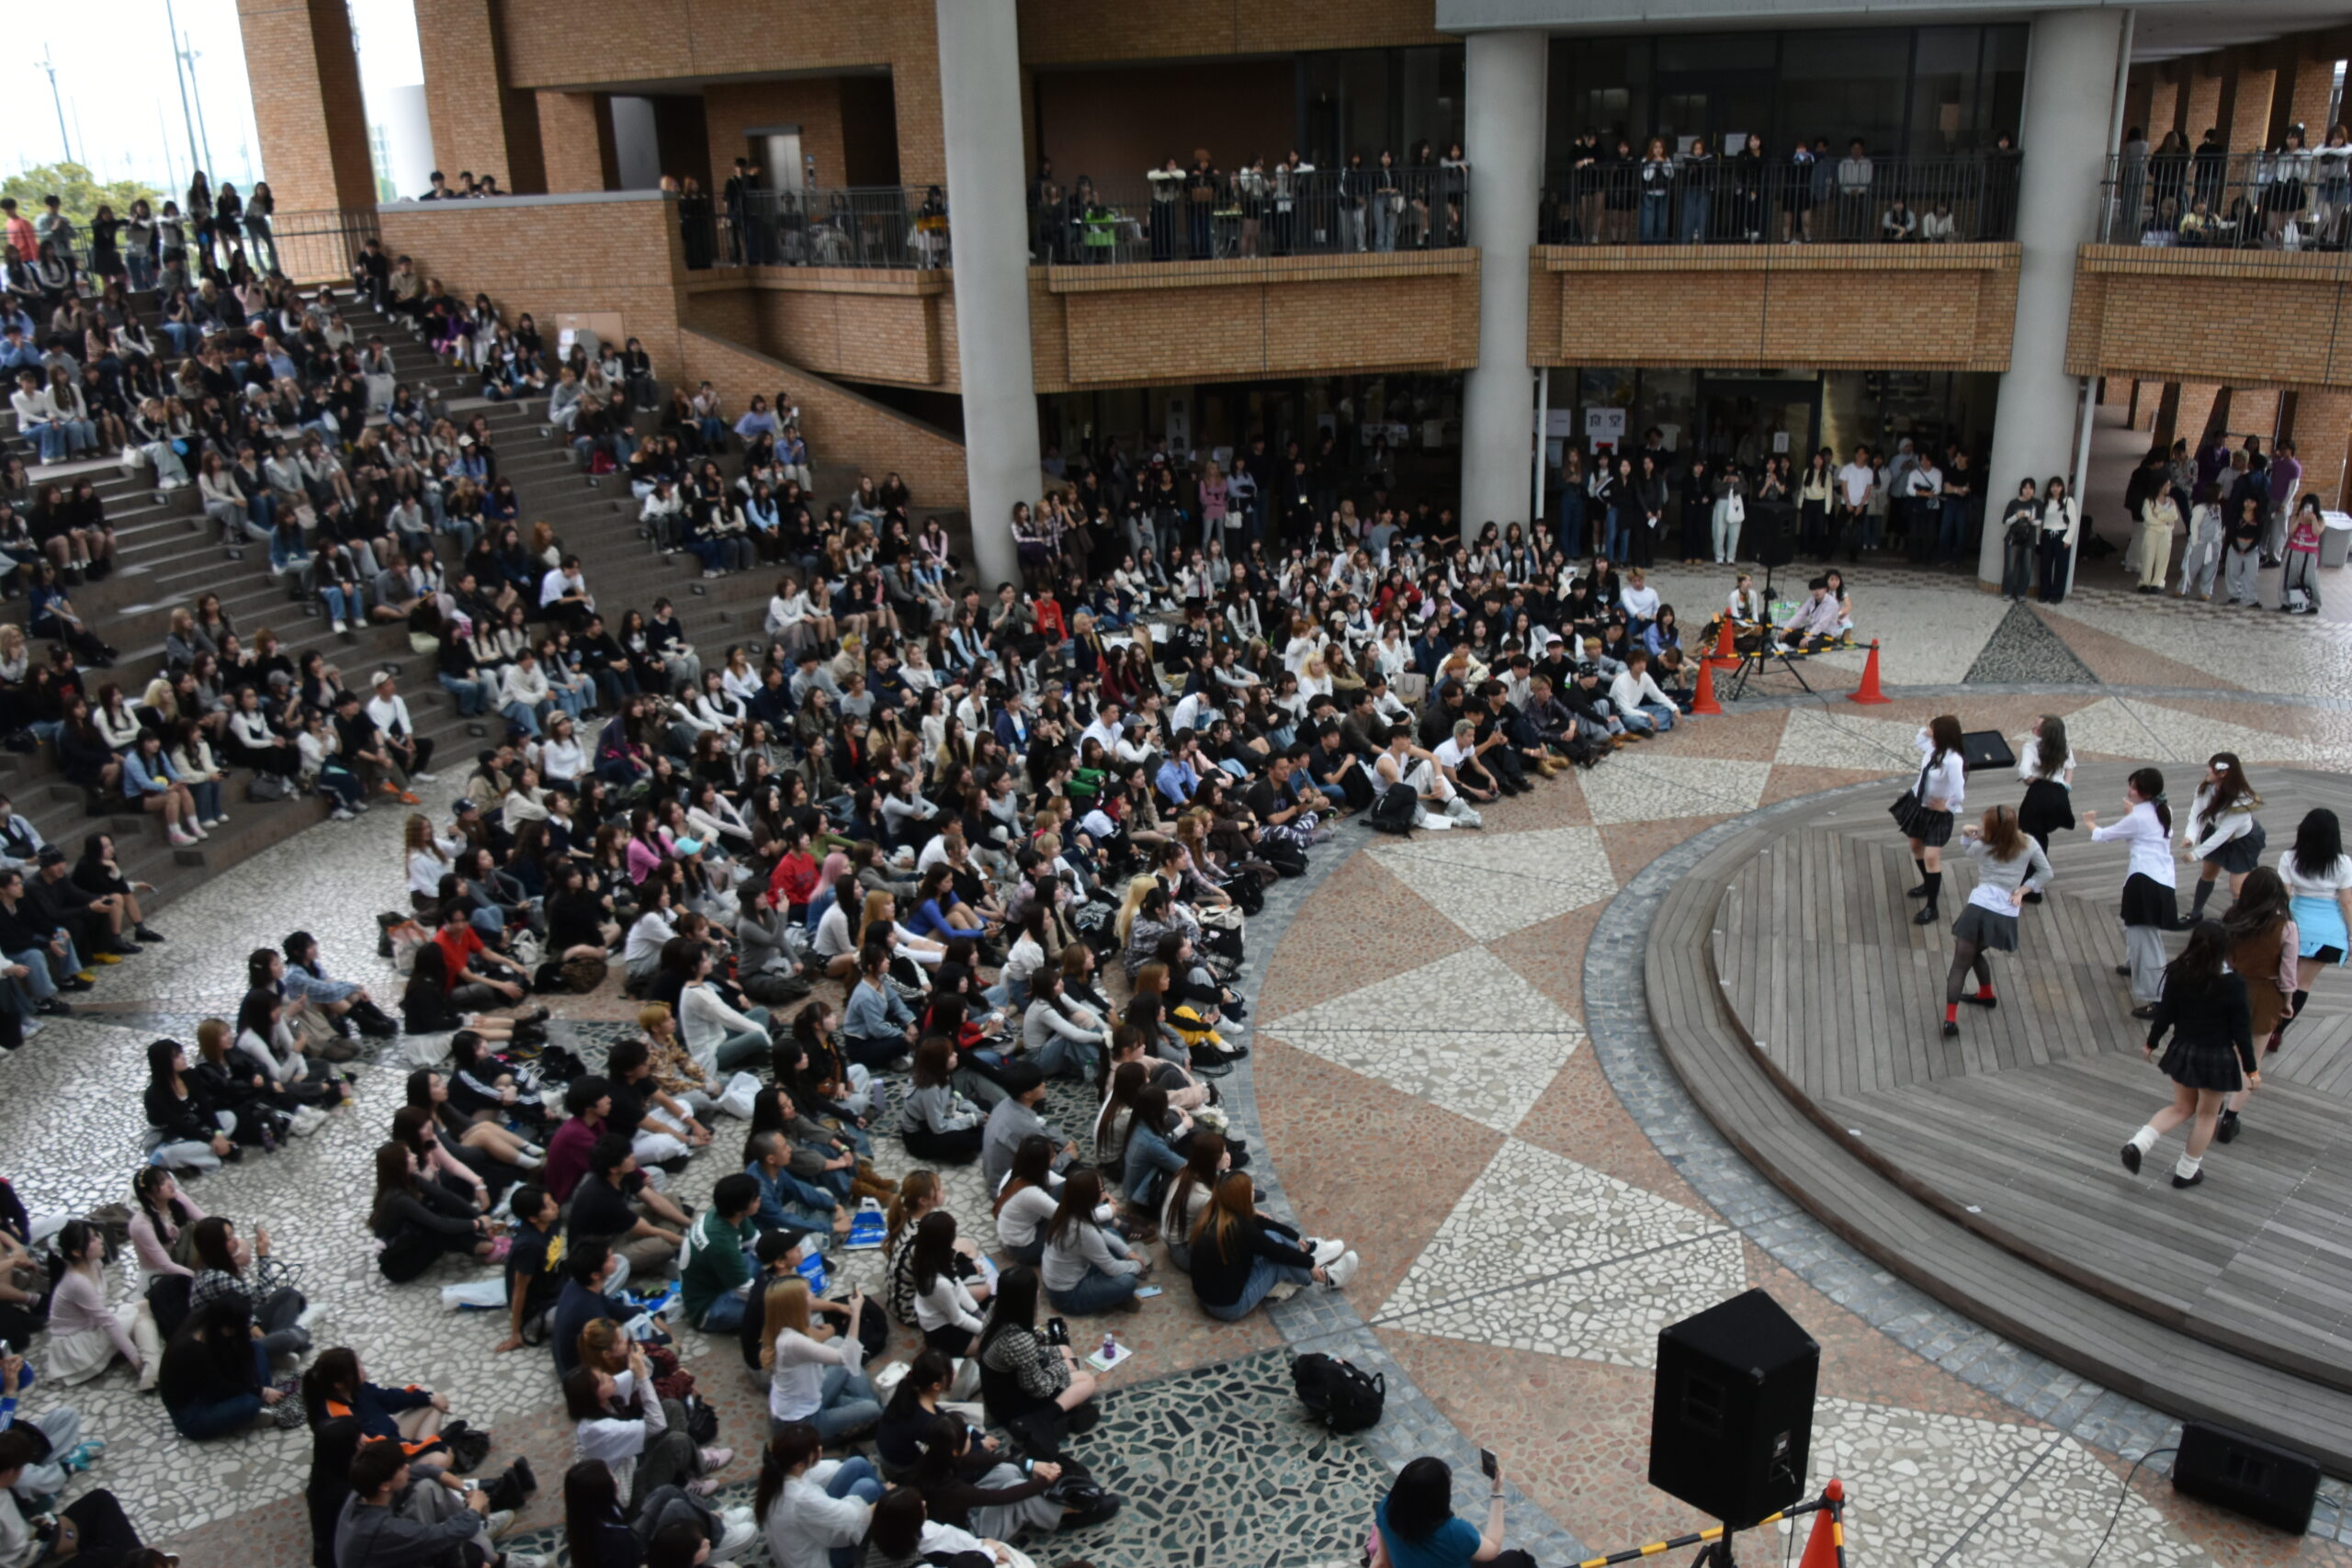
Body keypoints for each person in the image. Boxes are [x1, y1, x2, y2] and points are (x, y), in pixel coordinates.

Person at [2120, 921, 2256, 1191]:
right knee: (2207, 1115)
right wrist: (2252, 1070)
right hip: (2216, 1056)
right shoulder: (2234, 983)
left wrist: (2152, 1042)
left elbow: (2166, 1012)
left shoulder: (2180, 972)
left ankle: (2138, 1143)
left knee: (2181, 1107)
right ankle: (2186, 1171)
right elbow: (2241, 1030)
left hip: (2184, 1049)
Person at [1939, 807, 2051, 1039]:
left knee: (1961, 962)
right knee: (1973, 953)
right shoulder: (2029, 843)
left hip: (1979, 907)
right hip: (2005, 911)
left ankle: (1951, 1019)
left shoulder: (1982, 845)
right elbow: (2046, 872)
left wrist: (1966, 833)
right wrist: (2023, 889)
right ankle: (1986, 994)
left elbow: (1968, 851)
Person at [1188, 1169, 1354, 1320]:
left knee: (1272, 1236)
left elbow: (1263, 1224)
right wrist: (1310, 1264)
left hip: (1213, 1293)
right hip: (1228, 1306)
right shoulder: (1241, 1229)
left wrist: (1296, 1238)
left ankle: (1305, 1253)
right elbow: (1277, 1252)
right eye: (1251, 1190)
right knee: (1278, 1263)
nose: (1254, 1192)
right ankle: (1327, 1278)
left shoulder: (1216, 1213)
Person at [2084, 768, 2177, 1017]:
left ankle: (2156, 998)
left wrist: (2089, 822)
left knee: (2145, 941)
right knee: (2144, 935)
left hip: (2143, 882)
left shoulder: (2138, 817)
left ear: (2144, 792)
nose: (2129, 790)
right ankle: (2131, 965)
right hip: (2163, 880)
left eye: (2134, 787)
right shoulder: (2165, 810)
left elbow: (2105, 835)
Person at [2217, 867, 2298, 1145]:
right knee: (2252, 1060)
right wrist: (2287, 1002)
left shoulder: (2231, 918)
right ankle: (2230, 1117)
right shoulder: (2286, 928)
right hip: (2266, 994)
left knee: (2225, 1049)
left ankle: (2213, 1101)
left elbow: (2222, 959)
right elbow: (2288, 974)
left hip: (2232, 988)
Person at [763, 1276, 879, 1444]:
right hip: (803, 1422)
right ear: (795, 1305)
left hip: (807, 1397)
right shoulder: (792, 1342)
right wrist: (856, 1312)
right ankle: (871, 1415)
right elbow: (848, 1356)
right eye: (807, 1294)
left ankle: (865, 1408)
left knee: (837, 1342)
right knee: (872, 1408)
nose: (812, 1295)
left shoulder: (784, 1327)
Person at [755, 1421, 884, 1568]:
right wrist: (876, 1507)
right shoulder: (801, 1498)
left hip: (806, 1540)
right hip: (819, 1560)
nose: (820, 1448)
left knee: (857, 1464)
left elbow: (828, 1470)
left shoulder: (778, 1475)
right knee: (867, 1487)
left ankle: (894, 1503)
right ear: (799, 1465)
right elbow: (849, 1521)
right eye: (815, 1449)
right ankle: (895, 1513)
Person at [1373, 1454, 1534, 1568]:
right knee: (1517, 1560)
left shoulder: (1386, 1507)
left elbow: (1384, 1561)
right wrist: (1497, 1493)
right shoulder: (1454, 1532)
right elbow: (1492, 1549)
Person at [1039, 1168, 1145, 1314]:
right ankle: (1114, 1297)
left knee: (1112, 1234)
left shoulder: (1068, 1211)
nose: (1105, 1194)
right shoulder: (1082, 1230)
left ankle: (1109, 1293)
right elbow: (1111, 1267)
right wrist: (1137, 1265)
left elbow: (1102, 1233)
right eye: (1102, 1190)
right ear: (1091, 1197)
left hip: (1064, 1277)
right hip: (1068, 1295)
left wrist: (1128, 1252)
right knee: (1127, 1281)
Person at [2177, 753, 2265, 925]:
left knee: (2237, 888)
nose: (2207, 770)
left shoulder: (2242, 801)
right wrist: (2190, 836)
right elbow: (2196, 814)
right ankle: (2195, 914)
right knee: (2208, 874)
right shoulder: (2206, 789)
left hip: (2242, 842)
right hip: (2216, 833)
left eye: (2211, 767)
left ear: (2223, 773)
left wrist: (2196, 854)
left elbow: (2224, 834)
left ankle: (2236, 925)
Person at [1897, 716, 1966, 926]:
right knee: (1915, 845)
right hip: (1919, 805)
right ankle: (1928, 884)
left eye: (1935, 733)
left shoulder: (1953, 760)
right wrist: (1928, 731)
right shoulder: (1933, 748)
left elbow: (1959, 792)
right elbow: (1919, 739)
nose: (1931, 736)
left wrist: (1947, 806)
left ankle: (1932, 907)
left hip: (1937, 813)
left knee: (1931, 856)